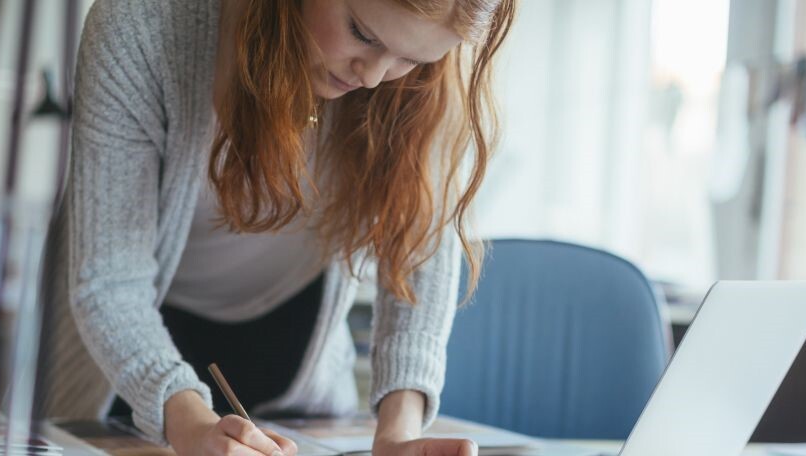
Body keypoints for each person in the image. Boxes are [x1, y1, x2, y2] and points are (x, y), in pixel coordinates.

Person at [42, 0, 515, 455]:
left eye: (410, 59)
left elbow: (417, 259)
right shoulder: (140, 24)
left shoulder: (430, 83)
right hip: (131, 353)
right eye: (362, 33)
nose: (372, 77)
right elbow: (110, 281)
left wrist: (398, 433)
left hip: (296, 360)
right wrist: (191, 427)